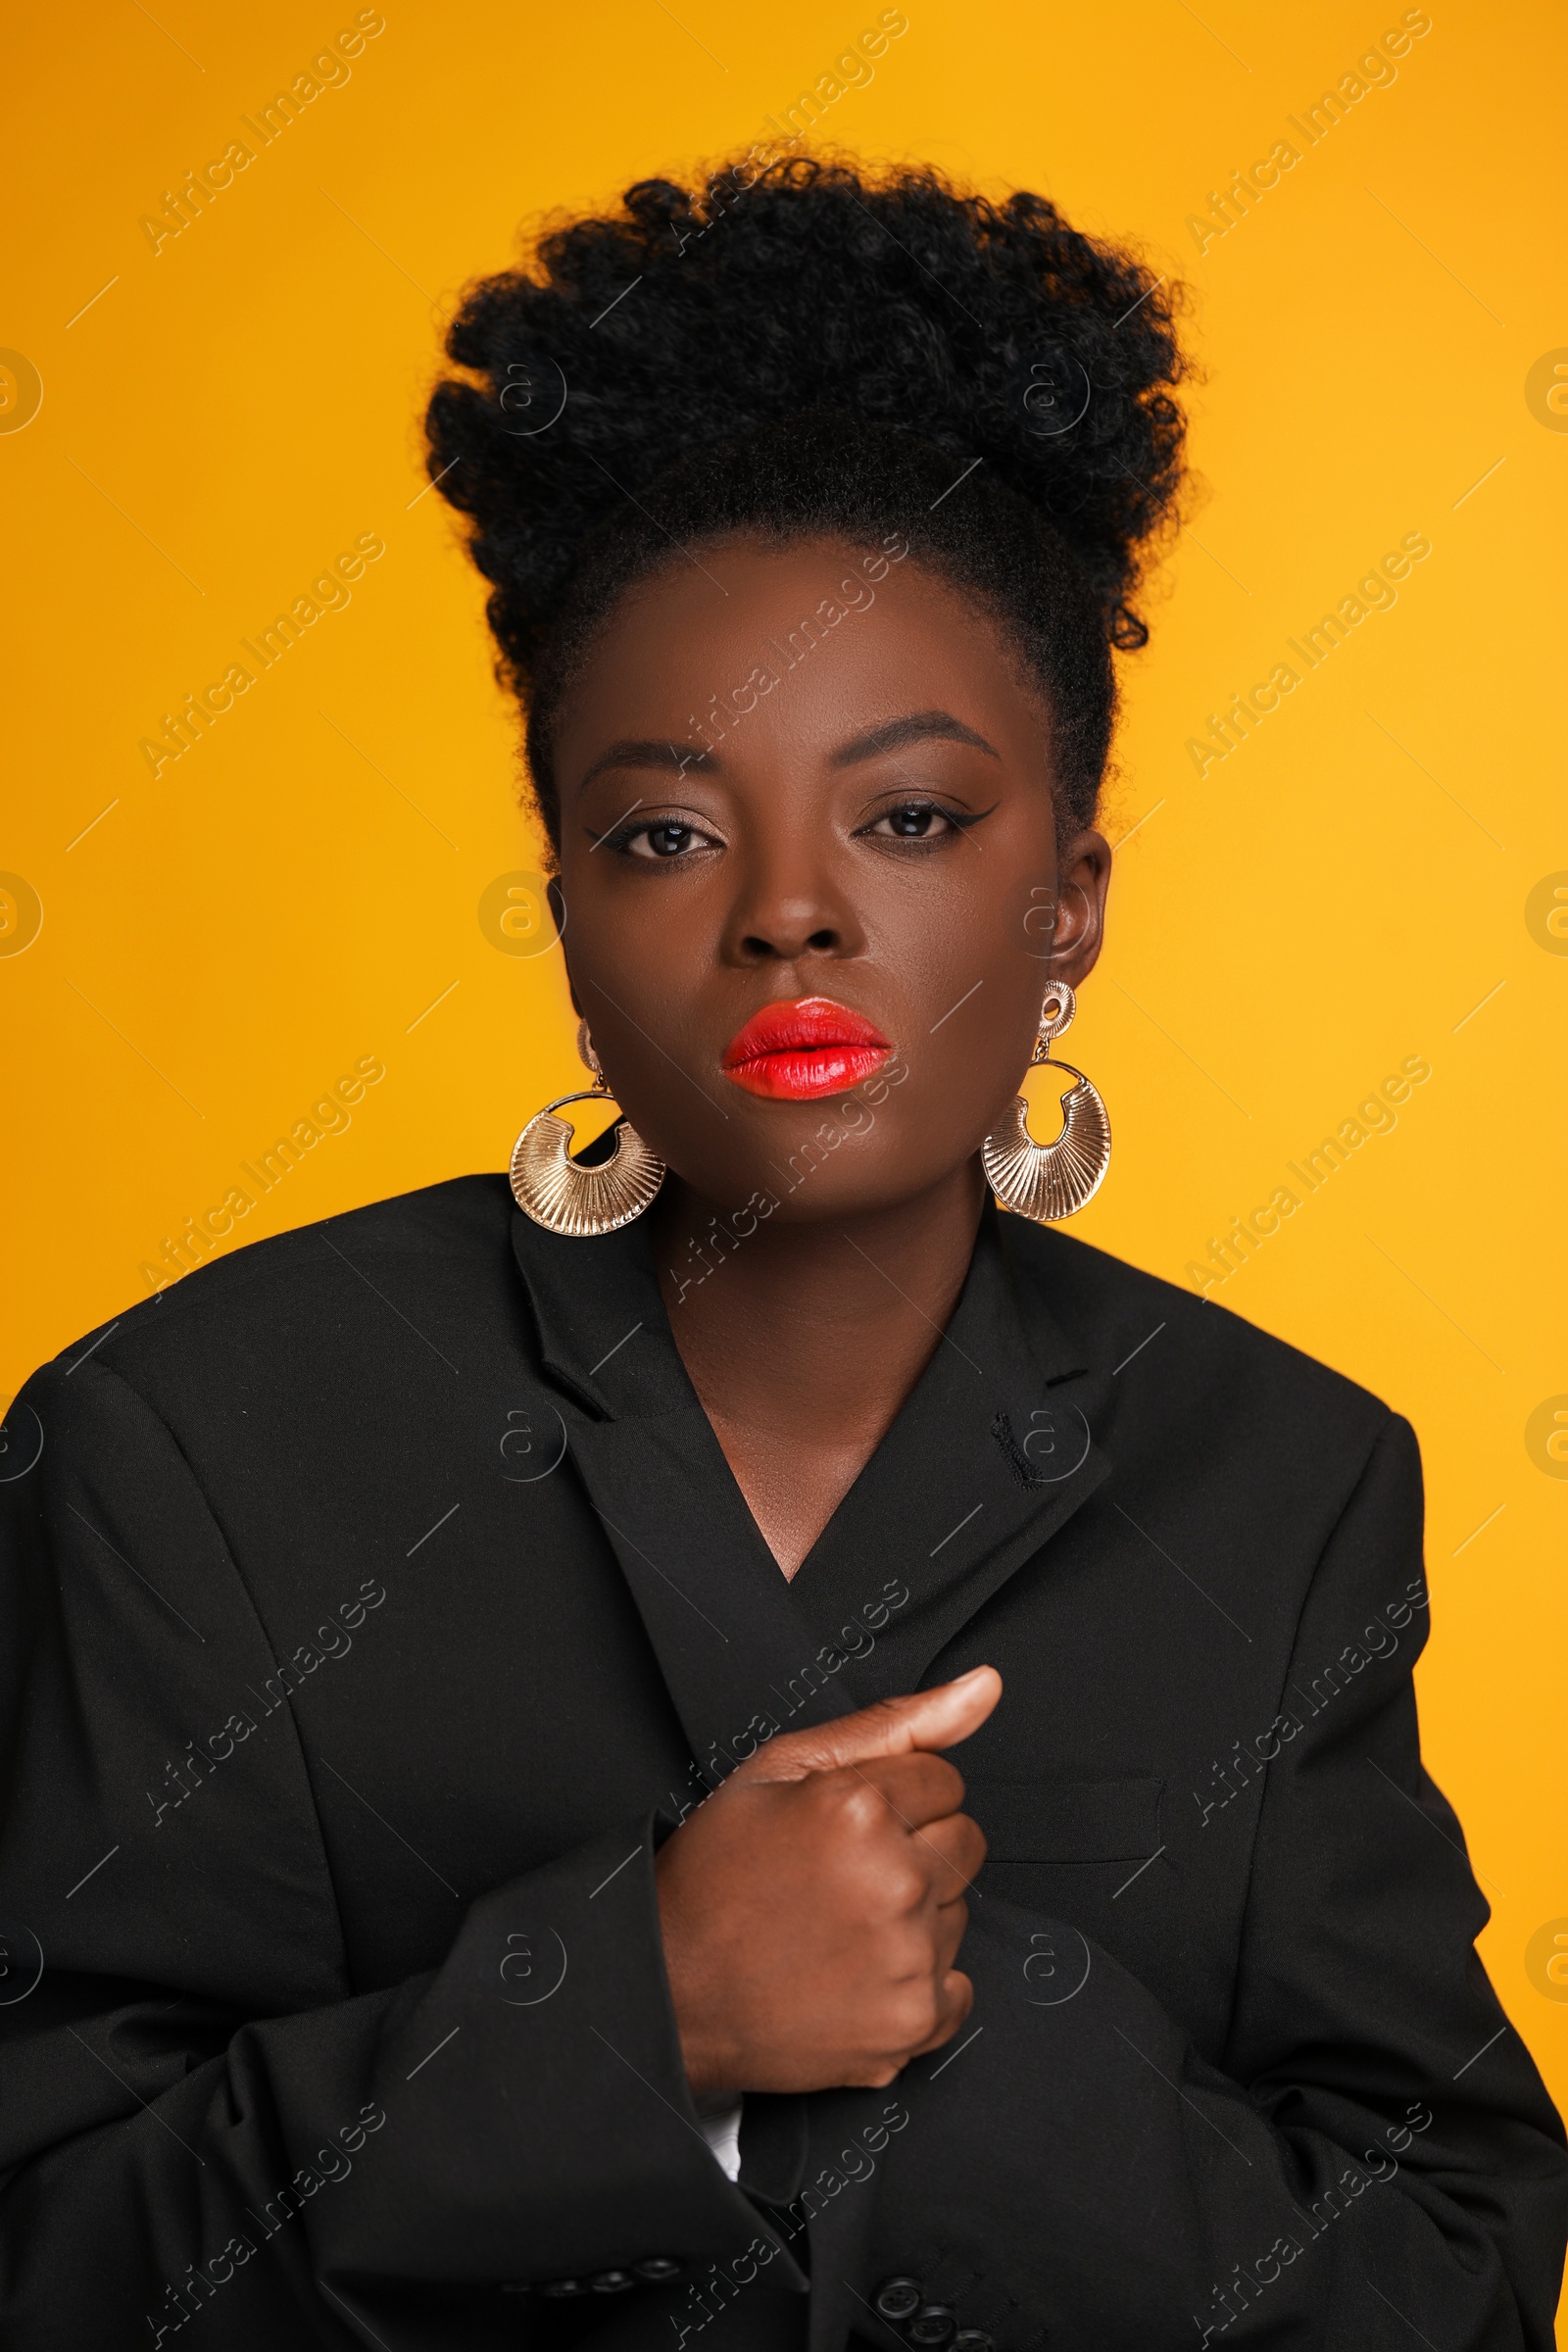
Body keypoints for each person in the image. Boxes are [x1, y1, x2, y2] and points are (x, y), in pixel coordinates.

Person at [0, 156, 1562, 2352]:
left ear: (1068, 908)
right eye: (662, 832)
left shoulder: (1280, 1484)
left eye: (910, 817)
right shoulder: (192, 1449)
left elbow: (1455, 2288)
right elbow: (46, 2260)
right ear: (560, 919)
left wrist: (976, 2047)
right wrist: (620, 2017)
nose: (791, 911)